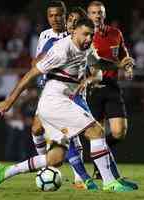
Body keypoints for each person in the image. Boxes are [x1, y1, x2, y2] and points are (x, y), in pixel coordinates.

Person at [0, 18, 133, 192]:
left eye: (91, 35)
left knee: (55, 158)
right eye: (85, 34)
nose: (89, 38)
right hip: (55, 100)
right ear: (74, 33)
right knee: (96, 131)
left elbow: (98, 62)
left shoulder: (86, 47)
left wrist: (119, 64)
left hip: (60, 101)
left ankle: (5, 171)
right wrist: (10, 101)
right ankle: (110, 182)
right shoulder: (61, 50)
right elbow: (31, 74)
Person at [30, 2, 91, 189]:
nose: (55, 19)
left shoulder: (73, 34)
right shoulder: (44, 35)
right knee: (36, 129)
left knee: (71, 133)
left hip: (69, 90)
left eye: (59, 15)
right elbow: (38, 60)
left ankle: (79, 177)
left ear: (65, 16)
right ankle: (47, 165)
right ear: (47, 17)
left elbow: (86, 62)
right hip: (48, 88)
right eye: (51, 15)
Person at [86, 1, 137, 189]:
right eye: (93, 13)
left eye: (100, 12)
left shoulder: (116, 33)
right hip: (91, 88)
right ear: (88, 15)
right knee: (94, 135)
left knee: (119, 132)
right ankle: (102, 172)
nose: (97, 16)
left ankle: (101, 162)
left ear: (104, 15)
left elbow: (124, 55)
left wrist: (128, 66)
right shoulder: (84, 35)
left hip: (111, 86)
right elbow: (94, 62)